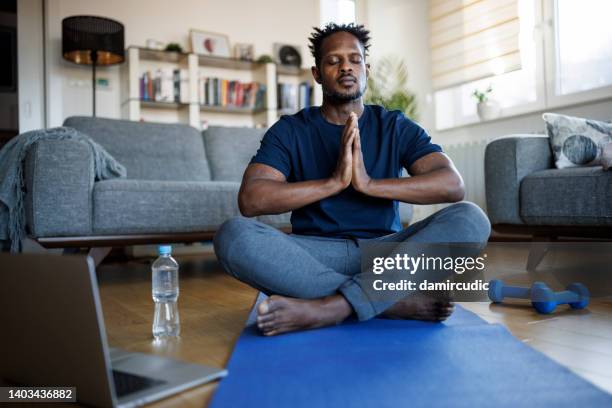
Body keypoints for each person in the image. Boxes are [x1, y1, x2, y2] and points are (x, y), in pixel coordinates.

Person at [214, 23, 490, 336]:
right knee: (233, 235)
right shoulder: (290, 130)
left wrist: (368, 184)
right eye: (333, 61)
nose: (346, 66)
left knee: (471, 219)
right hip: (313, 256)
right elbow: (251, 200)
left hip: (385, 255)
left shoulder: (394, 125)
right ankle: (390, 302)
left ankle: (332, 308)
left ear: (366, 70)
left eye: (354, 59)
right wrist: (333, 182)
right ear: (317, 73)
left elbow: (452, 185)